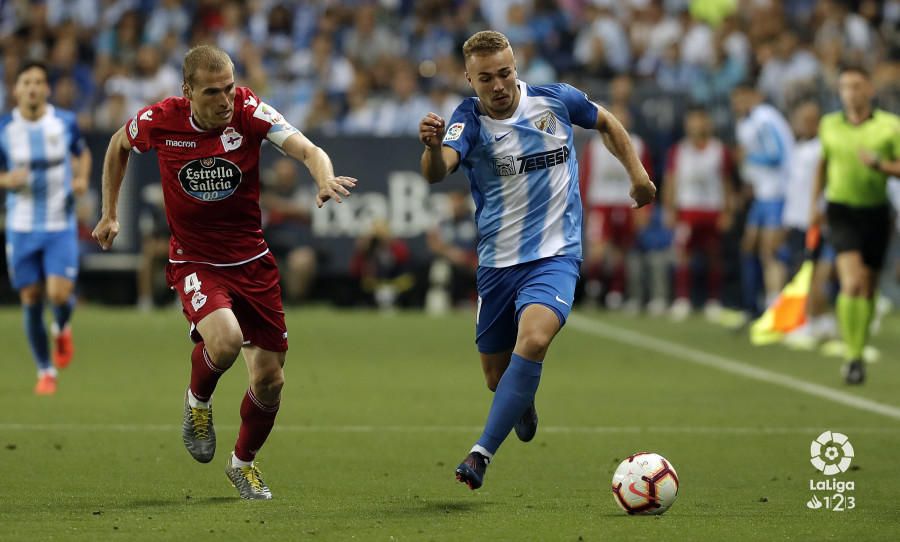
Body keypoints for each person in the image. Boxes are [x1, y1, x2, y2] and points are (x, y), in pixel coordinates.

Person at [91, 45, 357, 498]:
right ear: (188, 92)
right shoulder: (160, 119)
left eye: (229, 88)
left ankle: (243, 464)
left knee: (270, 379)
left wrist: (322, 177)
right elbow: (118, 146)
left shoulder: (250, 110)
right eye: (212, 92)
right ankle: (197, 402)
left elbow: (309, 150)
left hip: (252, 262)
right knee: (227, 340)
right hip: (194, 260)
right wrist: (110, 212)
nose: (224, 100)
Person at [418, 31, 655, 490]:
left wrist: (638, 175)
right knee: (495, 376)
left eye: (505, 73)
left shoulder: (555, 100)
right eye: (486, 78)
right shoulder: (468, 119)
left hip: (555, 254)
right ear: (470, 79)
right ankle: (519, 397)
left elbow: (607, 123)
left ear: (516, 66)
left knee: (535, 339)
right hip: (497, 264)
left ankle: (480, 454)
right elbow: (438, 169)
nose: (499, 85)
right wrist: (430, 148)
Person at [0, 61, 91, 395]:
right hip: (21, 225)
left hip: (59, 222)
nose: (33, 88)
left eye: (39, 81)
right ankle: (45, 370)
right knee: (31, 296)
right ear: (17, 89)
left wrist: (80, 178)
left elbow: (82, 154)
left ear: (47, 88)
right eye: (27, 82)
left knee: (58, 293)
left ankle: (63, 326)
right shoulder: (5, 128)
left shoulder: (64, 122)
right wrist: (5, 179)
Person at [812, 65, 900, 384]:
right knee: (851, 282)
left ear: (869, 91)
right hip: (841, 209)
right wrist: (814, 204)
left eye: (856, 86)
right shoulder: (829, 124)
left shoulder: (890, 127)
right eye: (845, 86)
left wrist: (880, 165)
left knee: (869, 285)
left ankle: (859, 351)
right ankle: (851, 355)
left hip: (876, 211)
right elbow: (822, 164)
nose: (850, 92)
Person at [731, 82, 795, 324]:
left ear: (754, 96)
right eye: (735, 99)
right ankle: (753, 304)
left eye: (742, 98)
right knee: (750, 246)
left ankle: (776, 306)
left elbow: (776, 154)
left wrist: (749, 157)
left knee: (771, 251)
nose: (738, 104)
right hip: (761, 194)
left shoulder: (765, 118)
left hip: (777, 192)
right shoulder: (744, 123)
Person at [663, 106, 735, 321]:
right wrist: (669, 209)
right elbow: (671, 181)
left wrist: (728, 211)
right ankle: (683, 299)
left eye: (702, 121)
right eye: (694, 121)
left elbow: (726, 183)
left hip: (713, 209)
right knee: (683, 255)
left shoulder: (719, 150)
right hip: (687, 209)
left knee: (714, 257)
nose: (698, 125)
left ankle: (714, 300)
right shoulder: (679, 151)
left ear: (708, 124)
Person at [580, 104, 652, 310]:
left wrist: (646, 207)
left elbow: (647, 174)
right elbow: (586, 175)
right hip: (600, 202)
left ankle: (616, 293)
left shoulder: (637, 144)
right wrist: (585, 205)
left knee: (621, 251)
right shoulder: (594, 146)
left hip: (626, 202)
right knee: (598, 250)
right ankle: (594, 289)